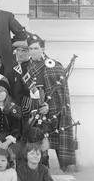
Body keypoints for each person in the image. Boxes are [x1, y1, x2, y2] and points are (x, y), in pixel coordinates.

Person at [24, 33, 77, 172]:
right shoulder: (25, 67)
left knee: (53, 137)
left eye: (36, 48)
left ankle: (61, 168)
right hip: (33, 110)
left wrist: (49, 107)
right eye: (30, 48)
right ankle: (40, 170)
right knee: (38, 142)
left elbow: (61, 94)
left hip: (52, 111)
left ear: (43, 48)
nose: (33, 51)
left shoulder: (55, 66)